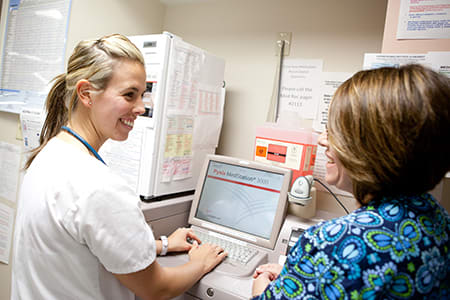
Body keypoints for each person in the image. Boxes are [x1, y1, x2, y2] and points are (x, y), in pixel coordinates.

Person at [11, 34, 226, 300]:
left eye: (143, 94)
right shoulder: (98, 186)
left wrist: (163, 245)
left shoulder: (50, 153)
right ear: (86, 94)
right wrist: (200, 262)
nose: (140, 107)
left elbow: (85, 241)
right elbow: (157, 288)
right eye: (129, 95)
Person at [252, 64, 450, 299]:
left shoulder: (331, 243)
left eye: (335, 131)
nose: (323, 141)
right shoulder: (440, 221)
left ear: (372, 147)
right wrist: (302, 276)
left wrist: (261, 290)